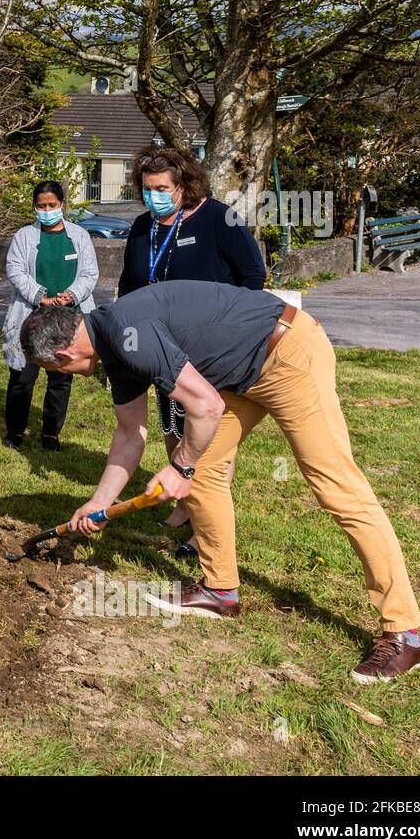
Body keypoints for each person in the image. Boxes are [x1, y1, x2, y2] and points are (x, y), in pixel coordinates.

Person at [20, 281, 420, 684]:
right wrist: (99, 503)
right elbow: (130, 434)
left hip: (287, 354)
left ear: (63, 353)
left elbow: (205, 405)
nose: (63, 376)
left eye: (55, 371)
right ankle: (221, 591)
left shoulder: (131, 334)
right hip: (241, 376)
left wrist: (180, 467)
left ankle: (405, 633)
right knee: (205, 470)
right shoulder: (113, 349)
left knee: (336, 487)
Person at [118, 146, 265, 556]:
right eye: (147, 189)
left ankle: (205, 526)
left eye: (162, 188)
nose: (153, 196)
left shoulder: (218, 217)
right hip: (162, 347)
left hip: (212, 345)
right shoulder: (143, 227)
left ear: (184, 185)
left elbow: (253, 274)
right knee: (173, 428)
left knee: (209, 438)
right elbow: (129, 285)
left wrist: (237, 325)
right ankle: (185, 502)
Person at [0, 179, 98, 451]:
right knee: (22, 377)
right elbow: (16, 271)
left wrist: (71, 295)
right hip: (32, 318)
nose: (47, 210)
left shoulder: (79, 236)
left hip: (67, 320)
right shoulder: (24, 237)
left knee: (60, 379)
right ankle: (15, 430)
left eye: (52, 205)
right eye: (41, 206)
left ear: (62, 204)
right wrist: (40, 296)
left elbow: (90, 274)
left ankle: (51, 433)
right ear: (34, 207)